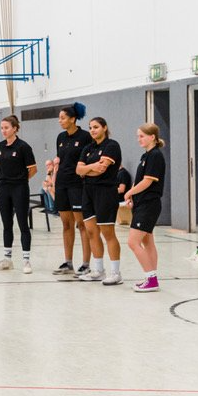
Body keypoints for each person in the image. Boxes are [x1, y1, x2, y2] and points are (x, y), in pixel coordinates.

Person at [75, 117, 124, 285]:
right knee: (91, 231)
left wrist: (87, 169)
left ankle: (115, 273)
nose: (92, 130)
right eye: (90, 127)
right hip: (87, 191)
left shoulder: (112, 146)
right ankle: (98, 270)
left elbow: (101, 171)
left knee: (108, 233)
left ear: (104, 127)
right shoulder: (88, 148)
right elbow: (78, 170)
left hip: (105, 191)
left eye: (96, 127)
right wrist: (90, 168)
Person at [123, 123, 167, 292]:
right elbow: (139, 179)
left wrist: (128, 193)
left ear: (152, 137)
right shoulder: (146, 156)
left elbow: (147, 181)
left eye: (142, 136)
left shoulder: (155, 155)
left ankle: (151, 279)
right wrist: (133, 196)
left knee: (133, 242)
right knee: (148, 241)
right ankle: (151, 277)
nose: (138, 139)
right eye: (138, 136)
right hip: (142, 203)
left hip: (149, 204)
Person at [52, 104, 94, 276]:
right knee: (66, 224)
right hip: (62, 184)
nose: (60, 121)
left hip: (78, 185)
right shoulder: (60, 137)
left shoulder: (85, 137)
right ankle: (68, 262)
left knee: (82, 224)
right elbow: (60, 160)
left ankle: (85, 263)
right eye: (59, 118)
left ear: (72, 119)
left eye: (63, 118)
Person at [0, 115, 37, 274]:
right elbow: (2, 165)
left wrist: (20, 181)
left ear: (15, 128)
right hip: (3, 189)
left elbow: (33, 169)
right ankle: (7, 259)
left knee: (23, 224)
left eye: (7, 128)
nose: (3, 131)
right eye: (2, 128)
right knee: (6, 224)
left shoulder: (23, 147)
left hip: (20, 189)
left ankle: (26, 261)